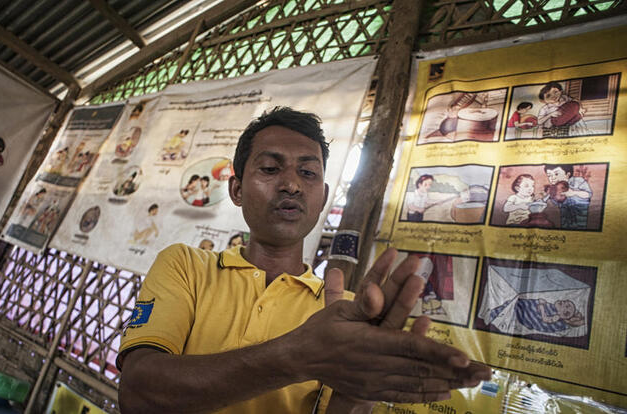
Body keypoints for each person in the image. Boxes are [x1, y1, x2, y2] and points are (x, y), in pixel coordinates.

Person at [118, 107, 491, 414]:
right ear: (236, 188)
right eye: (270, 168)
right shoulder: (187, 267)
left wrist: (354, 398)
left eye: (308, 172)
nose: (292, 184)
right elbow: (137, 393)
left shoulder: (338, 315)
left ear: (323, 196)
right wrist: (296, 356)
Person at [543, 164, 592, 229]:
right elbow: (557, 202)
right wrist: (551, 195)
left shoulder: (577, 181)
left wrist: (574, 193)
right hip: (565, 219)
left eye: (556, 174)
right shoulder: (555, 188)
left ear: (567, 175)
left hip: (580, 216)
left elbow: (588, 194)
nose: (552, 178)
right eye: (549, 175)